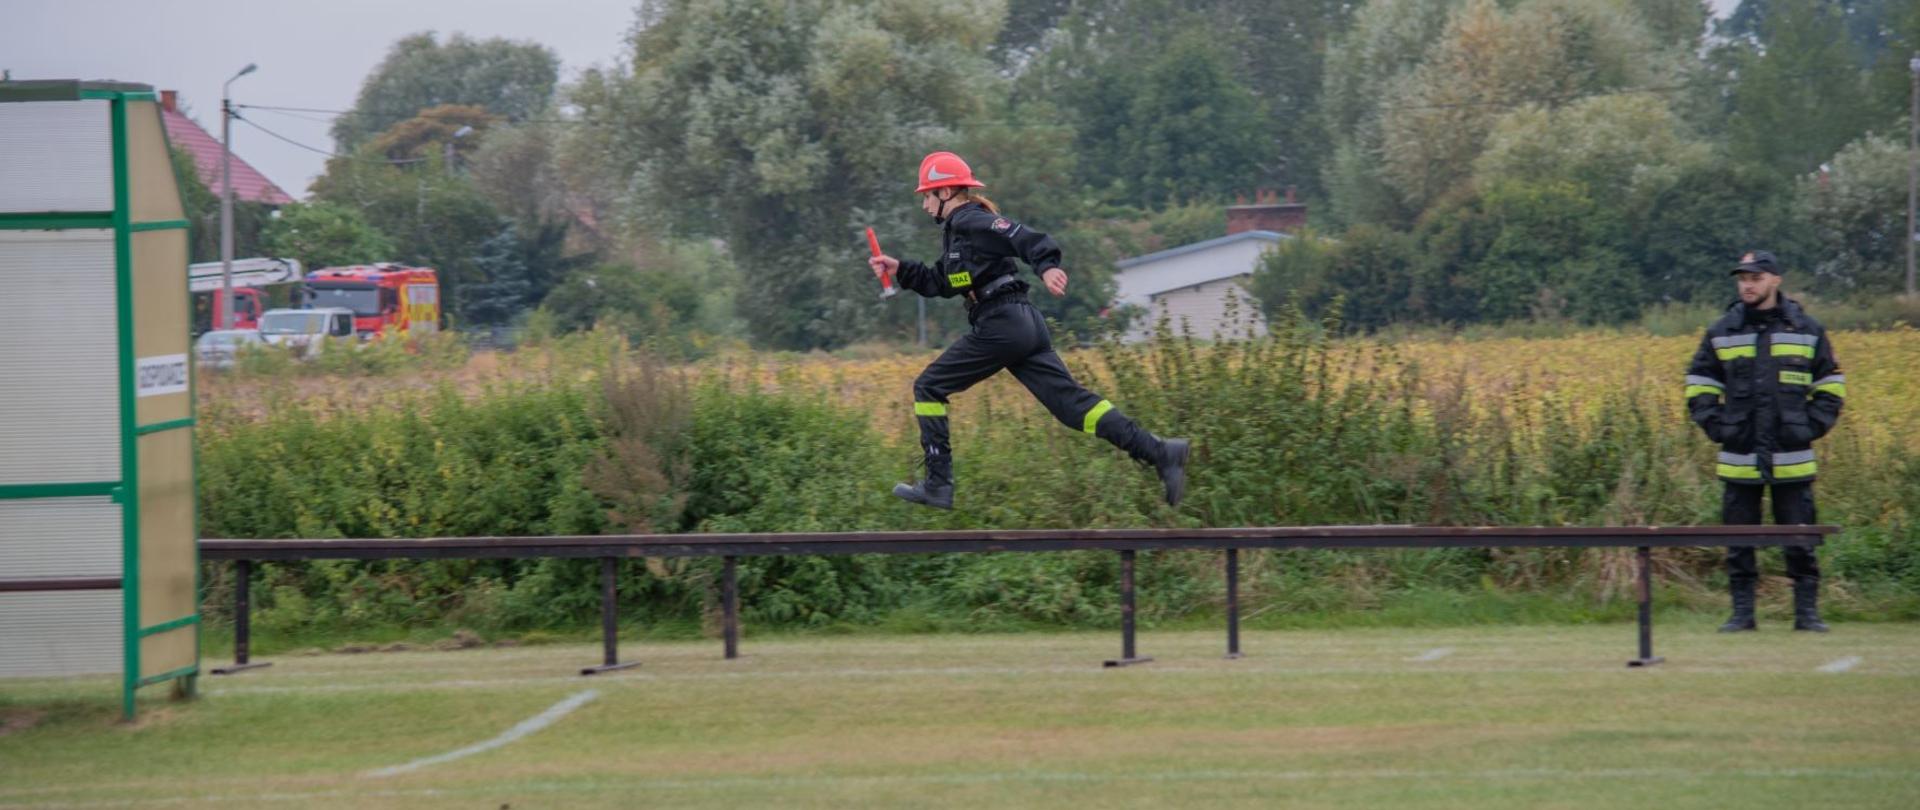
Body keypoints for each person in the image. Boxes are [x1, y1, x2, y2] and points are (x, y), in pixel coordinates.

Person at [867, 151, 1190, 510]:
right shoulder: (959, 235)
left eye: (927, 195)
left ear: (946, 193)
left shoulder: (972, 220)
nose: (925, 204)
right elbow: (943, 281)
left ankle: (938, 484)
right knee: (1074, 409)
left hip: (1003, 324)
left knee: (928, 386)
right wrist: (900, 269)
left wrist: (1047, 265)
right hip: (1021, 326)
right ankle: (1161, 453)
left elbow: (1022, 236)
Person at [1685, 250, 1845, 632]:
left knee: (1800, 539)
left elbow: (1830, 386)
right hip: (1739, 456)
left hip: (1793, 456)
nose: (1747, 285)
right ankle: (1743, 615)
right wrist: (1719, 428)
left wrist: (1809, 428)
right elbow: (1699, 385)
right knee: (1739, 541)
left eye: (1755, 278)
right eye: (1742, 278)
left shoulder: (1807, 330)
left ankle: (1806, 614)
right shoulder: (1722, 331)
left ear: (1775, 281)